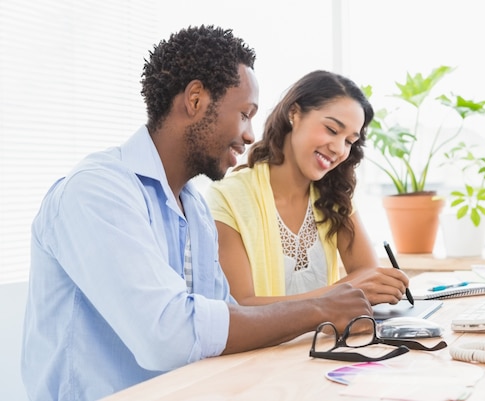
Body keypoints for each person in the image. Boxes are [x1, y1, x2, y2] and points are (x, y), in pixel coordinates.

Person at [21, 25, 371, 401]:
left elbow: (227, 319)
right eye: (244, 114)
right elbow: (167, 335)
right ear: (195, 99)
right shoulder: (97, 192)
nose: (251, 134)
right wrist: (318, 309)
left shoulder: (195, 211)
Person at [206, 70, 410, 306]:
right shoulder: (227, 198)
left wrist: (370, 286)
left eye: (349, 142)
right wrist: (340, 294)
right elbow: (240, 306)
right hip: (268, 344)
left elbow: (368, 276)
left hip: (330, 341)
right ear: (294, 113)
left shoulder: (335, 196)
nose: (339, 149)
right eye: (332, 130)